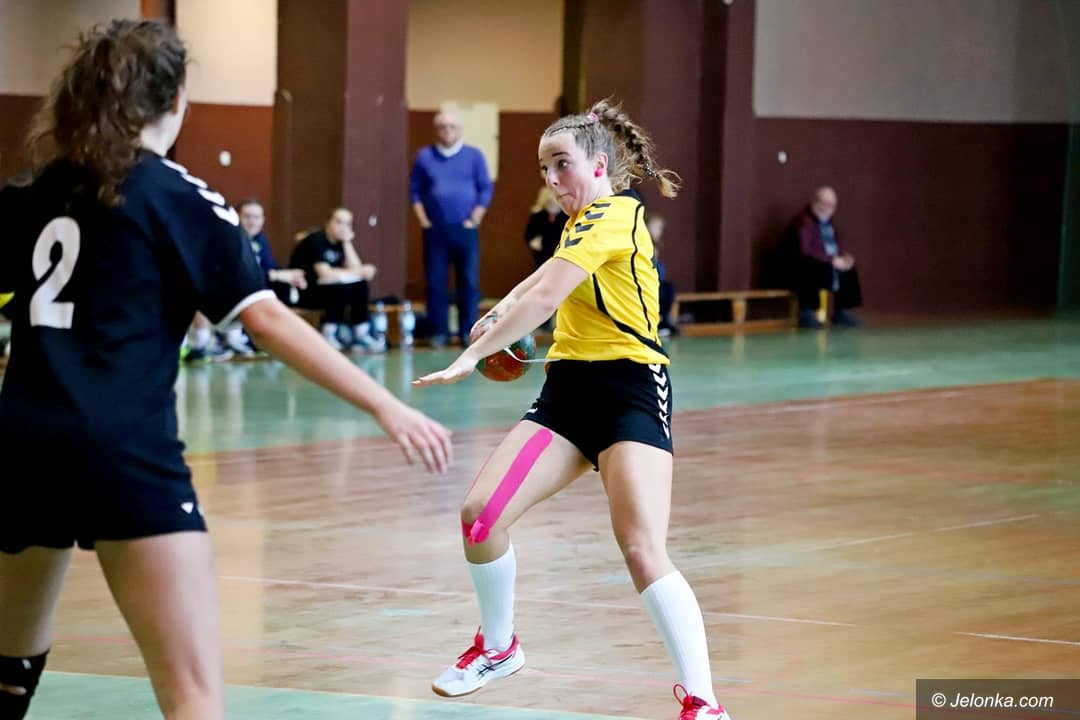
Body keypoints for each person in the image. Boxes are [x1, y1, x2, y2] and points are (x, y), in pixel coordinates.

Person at [0, 20, 452, 720]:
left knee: (7, 667)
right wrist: (386, 405)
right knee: (193, 696)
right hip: (124, 451)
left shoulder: (32, 192)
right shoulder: (179, 197)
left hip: (23, 445)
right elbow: (266, 320)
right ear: (175, 99)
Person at [415, 98, 733, 720]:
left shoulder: (616, 214)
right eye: (544, 168)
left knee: (641, 547)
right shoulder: (579, 223)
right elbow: (540, 281)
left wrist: (471, 355)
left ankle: (704, 703)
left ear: (600, 165)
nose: (553, 179)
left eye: (562, 164)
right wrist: (498, 313)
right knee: (480, 516)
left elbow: (547, 297)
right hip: (566, 396)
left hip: (631, 393)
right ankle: (499, 647)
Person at [409, 110, 493, 347]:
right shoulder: (424, 156)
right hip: (435, 229)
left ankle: (468, 331)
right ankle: (439, 331)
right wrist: (424, 220)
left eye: (452, 126)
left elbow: (485, 188)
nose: (447, 131)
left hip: (465, 229)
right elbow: (414, 191)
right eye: (443, 127)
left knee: (468, 280)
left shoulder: (474, 156)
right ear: (437, 130)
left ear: (460, 129)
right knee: (436, 282)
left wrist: (475, 218)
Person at [290, 207, 385, 352]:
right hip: (305, 292)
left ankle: (361, 334)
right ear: (328, 222)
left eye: (347, 224)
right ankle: (328, 333)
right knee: (340, 288)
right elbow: (324, 274)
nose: (343, 227)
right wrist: (360, 271)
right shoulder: (316, 240)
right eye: (339, 222)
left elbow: (357, 270)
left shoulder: (340, 242)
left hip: (329, 291)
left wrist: (347, 243)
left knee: (360, 285)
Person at [784, 186, 863, 328]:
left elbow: (835, 248)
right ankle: (807, 313)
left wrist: (844, 259)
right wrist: (831, 260)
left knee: (848, 270)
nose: (827, 208)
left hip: (827, 263)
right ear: (815, 202)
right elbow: (805, 251)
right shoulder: (803, 222)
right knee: (811, 267)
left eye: (831, 205)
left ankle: (841, 312)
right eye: (824, 203)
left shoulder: (830, 225)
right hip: (801, 267)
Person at [646, 213, 677, 337]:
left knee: (668, 288)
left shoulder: (656, 246)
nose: (659, 231)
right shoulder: (643, 243)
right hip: (646, 283)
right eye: (656, 227)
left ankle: (663, 320)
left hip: (656, 281)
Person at [524, 186, 567, 269]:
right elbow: (529, 234)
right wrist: (533, 242)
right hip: (542, 253)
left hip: (560, 254)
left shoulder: (565, 216)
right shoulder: (538, 215)